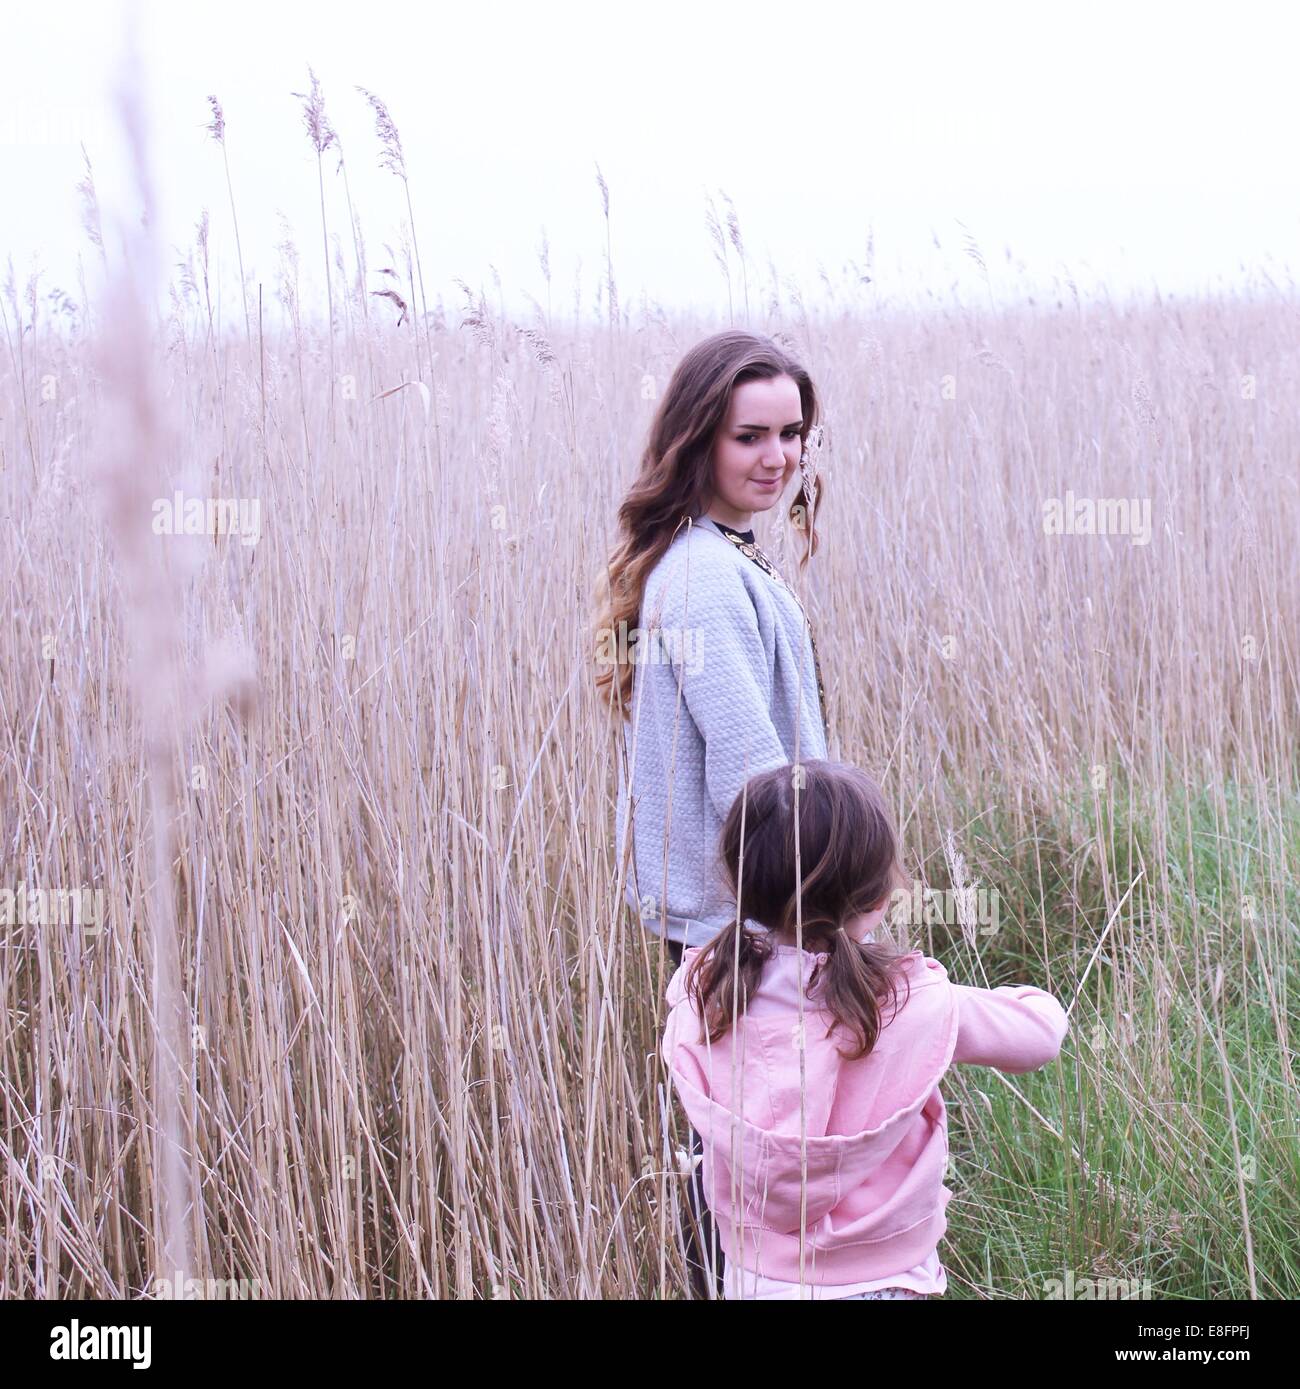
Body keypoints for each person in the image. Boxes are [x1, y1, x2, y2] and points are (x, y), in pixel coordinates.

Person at [592, 329, 831, 1298]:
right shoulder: (701, 578)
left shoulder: (718, 560)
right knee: (743, 1177)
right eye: (750, 437)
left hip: (741, 916)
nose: (777, 457)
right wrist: (826, 922)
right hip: (746, 923)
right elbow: (755, 781)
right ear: (699, 440)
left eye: (792, 433)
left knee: (736, 1165)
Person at [662, 759, 1070, 1300]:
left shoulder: (704, 1002)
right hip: (889, 1283)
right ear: (878, 899)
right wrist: (1016, 997)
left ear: (740, 885)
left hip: (755, 1281)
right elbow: (1040, 1035)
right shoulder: (911, 1003)